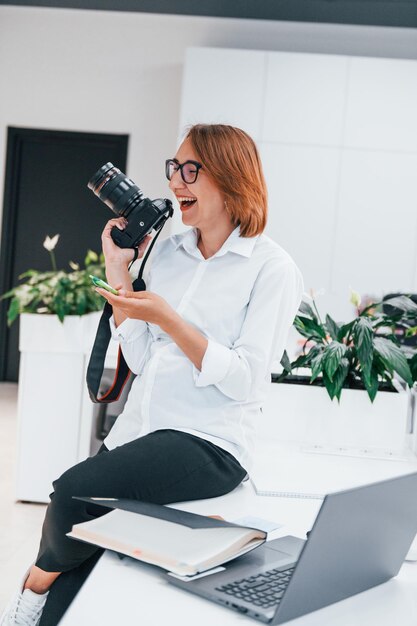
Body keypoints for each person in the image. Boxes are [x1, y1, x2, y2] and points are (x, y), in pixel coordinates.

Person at [1, 124, 303, 626]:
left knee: (72, 494)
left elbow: (248, 379)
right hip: (140, 429)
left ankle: (32, 583)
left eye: (191, 170)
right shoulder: (167, 253)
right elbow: (141, 359)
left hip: (208, 441)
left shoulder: (271, 268)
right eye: (173, 168)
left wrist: (170, 319)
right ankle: (42, 607)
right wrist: (119, 271)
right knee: (86, 552)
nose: (176, 182)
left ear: (231, 178)